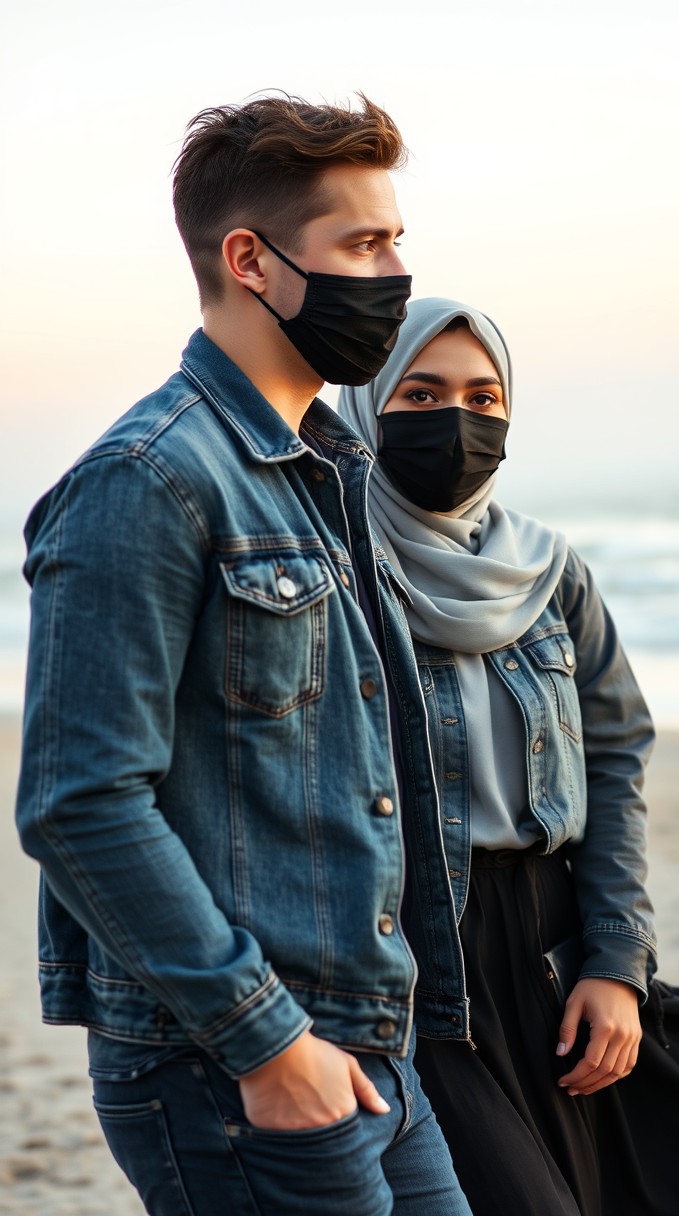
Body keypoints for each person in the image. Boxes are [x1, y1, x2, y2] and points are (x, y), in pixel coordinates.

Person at [14, 99, 473, 1216]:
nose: (397, 273)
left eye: (397, 240)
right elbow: (79, 801)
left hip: (368, 1045)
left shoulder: (325, 467)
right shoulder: (147, 479)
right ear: (249, 261)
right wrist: (268, 1046)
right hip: (235, 1067)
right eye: (364, 244)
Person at [339, 297, 679, 1216]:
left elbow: (614, 758)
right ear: (366, 408)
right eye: (421, 393)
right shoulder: (327, 570)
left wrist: (614, 966)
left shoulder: (549, 568)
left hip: (552, 952)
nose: (460, 420)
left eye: (486, 398)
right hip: (408, 963)